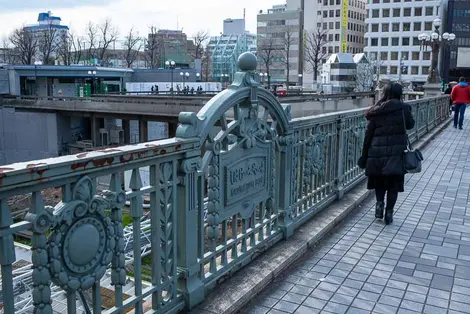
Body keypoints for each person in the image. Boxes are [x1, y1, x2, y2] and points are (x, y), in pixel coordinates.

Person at [358, 82, 415, 225]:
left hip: (377, 152)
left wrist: (364, 156)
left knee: (379, 182)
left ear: (384, 93)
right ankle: (389, 212)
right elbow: (410, 125)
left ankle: (379, 205)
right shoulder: (404, 109)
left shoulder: (376, 110)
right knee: (393, 185)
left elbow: (368, 135)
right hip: (396, 153)